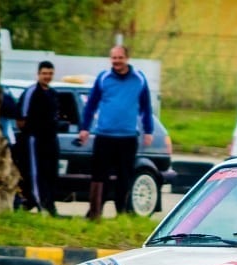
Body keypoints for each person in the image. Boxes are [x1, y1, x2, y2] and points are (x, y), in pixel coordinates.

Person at [78, 45, 154, 220]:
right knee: (99, 175)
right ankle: (95, 213)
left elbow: (145, 107)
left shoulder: (139, 79)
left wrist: (148, 130)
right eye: (114, 58)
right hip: (104, 136)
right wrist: (84, 128)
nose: (117, 61)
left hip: (127, 137)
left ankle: (122, 213)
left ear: (127, 58)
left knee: (124, 176)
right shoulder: (103, 78)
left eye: (120, 58)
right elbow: (91, 105)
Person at [17, 61, 61, 216]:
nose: (47, 76)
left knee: (51, 172)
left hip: (51, 139)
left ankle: (50, 203)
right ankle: (39, 203)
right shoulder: (31, 92)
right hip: (35, 139)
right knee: (36, 173)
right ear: (38, 74)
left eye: (50, 74)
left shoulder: (53, 94)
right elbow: (21, 118)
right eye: (44, 74)